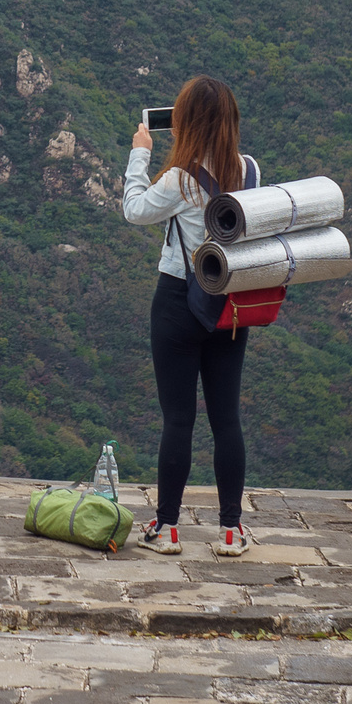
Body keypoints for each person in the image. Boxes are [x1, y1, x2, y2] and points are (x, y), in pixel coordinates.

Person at [122, 74, 257, 558]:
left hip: (179, 301)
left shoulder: (181, 180)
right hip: (230, 305)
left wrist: (140, 151)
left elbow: (134, 210)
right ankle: (231, 530)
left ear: (186, 124)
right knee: (227, 420)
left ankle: (168, 528)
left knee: (178, 420)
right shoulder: (249, 171)